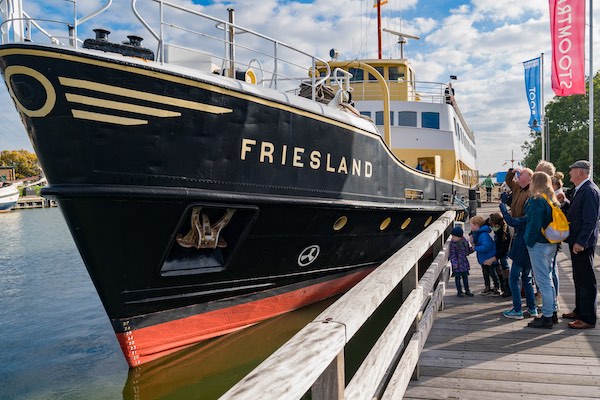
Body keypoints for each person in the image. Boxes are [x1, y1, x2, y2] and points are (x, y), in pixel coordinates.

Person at [562, 160, 600, 329]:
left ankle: (588, 318)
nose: (570, 173)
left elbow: (590, 220)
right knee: (578, 277)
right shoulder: (581, 190)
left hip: (582, 243)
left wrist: (581, 242)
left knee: (586, 280)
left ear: (581, 172)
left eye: (572, 170)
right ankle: (580, 310)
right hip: (577, 240)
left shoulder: (589, 190)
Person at [501, 167, 537, 319]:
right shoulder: (518, 188)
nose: (517, 175)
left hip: (521, 229)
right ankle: (532, 308)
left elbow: (522, 219)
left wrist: (503, 208)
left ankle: (517, 310)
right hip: (522, 232)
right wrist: (512, 170)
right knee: (526, 277)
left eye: (520, 174)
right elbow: (509, 180)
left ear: (529, 178)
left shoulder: (530, 194)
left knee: (514, 277)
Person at [524, 172, 559, 329]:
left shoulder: (537, 199)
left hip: (539, 244)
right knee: (549, 279)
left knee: (543, 281)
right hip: (551, 243)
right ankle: (553, 311)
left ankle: (546, 317)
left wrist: (528, 241)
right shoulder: (551, 199)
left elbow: (534, 223)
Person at [469, 215, 500, 295]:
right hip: (484, 258)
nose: (470, 226)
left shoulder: (483, 235)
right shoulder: (478, 233)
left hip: (489, 257)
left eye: (471, 225)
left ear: (476, 225)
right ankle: (487, 287)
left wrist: (475, 248)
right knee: (485, 273)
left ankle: (496, 287)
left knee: (492, 273)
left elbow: (486, 246)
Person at [484, 212, 511, 297]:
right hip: (496, 244)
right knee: (497, 266)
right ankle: (501, 284)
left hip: (503, 248)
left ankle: (507, 287)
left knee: (504, 263)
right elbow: (483, 224)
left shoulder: (506, 233)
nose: (492, 227)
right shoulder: (490, 221)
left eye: (494, 225)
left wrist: (494, 258)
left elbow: (504, 249)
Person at [449, 226, 474, 297]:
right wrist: (454, 263)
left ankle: (467, 290)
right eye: (452, 236)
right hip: (457, 264)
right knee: (458, 278)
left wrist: (472, 249)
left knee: (465, 277)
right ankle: (459, 291)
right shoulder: (453, 244)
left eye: (454, 237)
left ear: (460, 237)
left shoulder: (464, 241)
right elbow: (452, 255)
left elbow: (467, 251)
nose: (452, 238)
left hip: (464, 263)